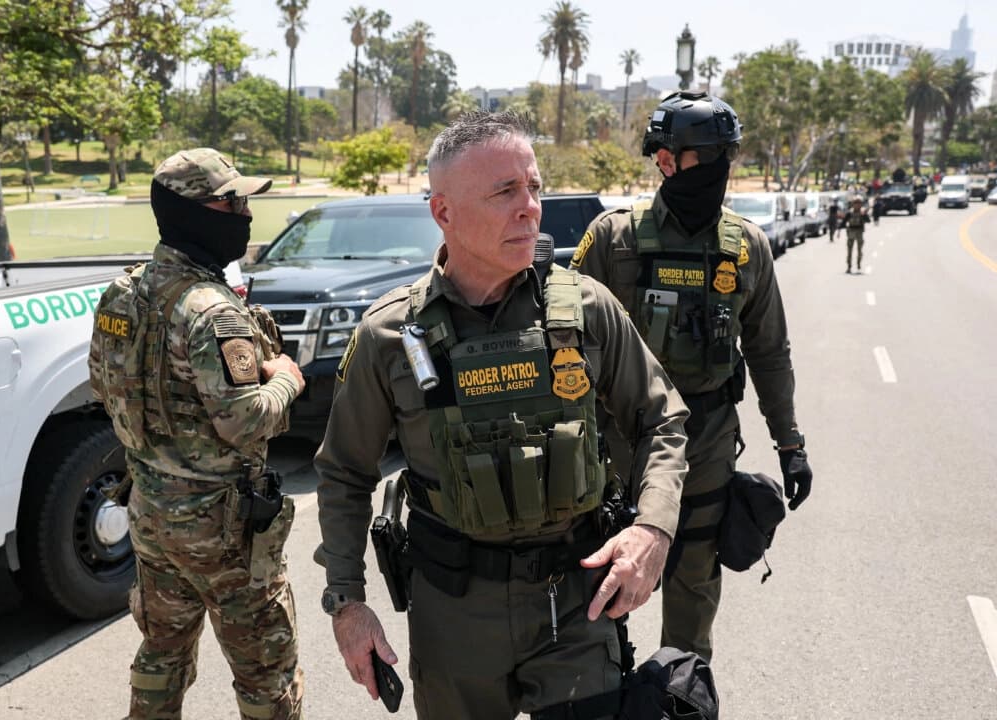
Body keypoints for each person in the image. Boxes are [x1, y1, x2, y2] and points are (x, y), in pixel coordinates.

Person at [313, 111, 689, 719]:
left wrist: (653, 530)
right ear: (443, 212)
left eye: (534, 187)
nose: (530, 208)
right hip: (454, 613)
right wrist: (347, 604)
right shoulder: (390, 335)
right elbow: (344, 473)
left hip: (577, 603)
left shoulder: (586, 307)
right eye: (505, 191)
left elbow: (662, 420)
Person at [570, 91, 812, 662]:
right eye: (668, 156)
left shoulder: (746, 247)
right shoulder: (613, 238)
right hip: (616, 447)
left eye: (719, 157)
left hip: (706, 443)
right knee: (599, 586)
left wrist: (790, 443)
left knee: (694, 588)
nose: (668, 165)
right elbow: (563, 347)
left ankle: (681, 691)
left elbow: (769, 352)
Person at [88, 148, 306, 720]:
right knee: (266, 676)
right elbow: (245, 419)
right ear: (192, 213)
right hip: (223, 532)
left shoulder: (122, 293)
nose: (244, 213)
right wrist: (287, 379)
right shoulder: (212, 312)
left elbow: (103, 385)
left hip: (151, 515)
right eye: (230, 203)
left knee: (162, 654)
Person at [844, 195, 870, 274]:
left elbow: (868, 221)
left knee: (859, 251)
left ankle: (858, 264)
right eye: (856, 203)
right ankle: (849, 266)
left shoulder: (862, 212)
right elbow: (844, 221)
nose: (857, 205)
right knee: (849, 251)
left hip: (859, 233)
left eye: (859, 203)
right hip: (851, 233)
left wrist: (864, 215)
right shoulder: (850, 212)